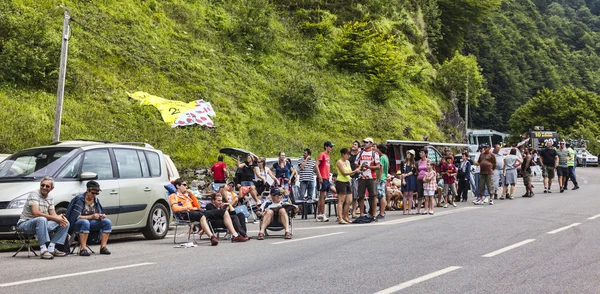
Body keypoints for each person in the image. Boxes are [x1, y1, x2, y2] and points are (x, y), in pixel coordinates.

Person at [169, 179, 246, 245]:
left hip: (197, 211)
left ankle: (235, 235)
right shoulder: (174, 196)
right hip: (186, 213)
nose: (186, 187)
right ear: (177, 186)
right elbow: (175, 208)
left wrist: (191, 195)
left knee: (223, 212)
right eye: (184, 185)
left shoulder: (186, 196)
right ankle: (212, 237)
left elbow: (198, 207)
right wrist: (188, 208)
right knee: (201, 215)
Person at [16, 176, 69, 259]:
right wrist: (55, 218)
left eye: (47, 186)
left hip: (42, 225)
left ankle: (51, 248)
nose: (44, 187)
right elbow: (35, 213)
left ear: (51, 188)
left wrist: (60, 218)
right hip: (25, 223)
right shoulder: (34, 194)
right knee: (42, 219)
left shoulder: (50, 198)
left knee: (65, 222)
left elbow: (53, 215)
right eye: (42, 185)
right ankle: (43, 250)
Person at [65, 180, 112, 256]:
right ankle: (83, 249)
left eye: (97, 193)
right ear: (87, 190)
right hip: (77, 223)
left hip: (91, 222)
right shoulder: (79, 199)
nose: (95, 195)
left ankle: (103, 247)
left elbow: (99, 212)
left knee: (107, 222)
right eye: (93, 193)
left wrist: (101, 216)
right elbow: (75, 217)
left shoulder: (96, 200)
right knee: (85, 222)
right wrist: (91, 216)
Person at [355, 137, 380, 220]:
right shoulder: (360, 153)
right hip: (362, 177)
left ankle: (374, 214)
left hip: (371, 177)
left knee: (373, 196)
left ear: (371, 144)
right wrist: (360, 167)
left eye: (366, 142)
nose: (365, 143)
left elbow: (378, 166)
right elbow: (356, 164)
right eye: (364, 142)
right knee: (361, 196)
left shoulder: (374, 154)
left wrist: (369, 166)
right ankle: (362, 214)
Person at [336, 148, 360, 224]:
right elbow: (344, 173)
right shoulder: (339, 162)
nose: (349, 156)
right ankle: (340, 217)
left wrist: (356, 171)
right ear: (343, 154)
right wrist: (354, 171)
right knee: (341, 200)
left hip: (347, 181)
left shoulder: (348, 162)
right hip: (341, 181)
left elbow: (350, 173)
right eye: (347, 154)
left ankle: (345, 216)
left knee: (349, 200)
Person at [316, 141, 334, 222]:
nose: (331, 148)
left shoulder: (328, 156)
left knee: (323, 196)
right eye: (330, 146)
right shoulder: (322, 154)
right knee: (322, 196)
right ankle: (322, 214)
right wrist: (319, 176)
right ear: (326, 147)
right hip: (322, 177)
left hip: (326, 177)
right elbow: (316, 165)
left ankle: (320, 214)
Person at [401, 150, 418, 215]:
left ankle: (409, 210)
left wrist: (406, 174)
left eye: (410, 154)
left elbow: (413, 171)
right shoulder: (403, 162)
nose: (408, 155)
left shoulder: (413, 163)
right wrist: (403, 180)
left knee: (410, 194)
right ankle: (404, 210)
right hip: (405, 178)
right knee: (405, 194)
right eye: (407, 153)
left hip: (411, 178)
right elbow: (402, 172)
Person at [375, 144, 389, 219]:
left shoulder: (382, 158)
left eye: (377, 149)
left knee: (381, 195)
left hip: (381, 178)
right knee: (382, 195)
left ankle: (382, 212)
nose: (376, 150)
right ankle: (382, 211)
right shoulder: (386, 157)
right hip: (384, 178)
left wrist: (378, 178)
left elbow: (381, 169)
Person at [348, 140, 361, 218]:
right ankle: (346, 212)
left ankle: (353, 212)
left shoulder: (359, 155)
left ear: (358, 147)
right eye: (353, 144)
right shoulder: (348, 154)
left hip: (356, 176)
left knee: (355, 196)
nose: (353, 145)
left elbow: (361, 164)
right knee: (347, 195)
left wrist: (358, 169)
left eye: (355, 144)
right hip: (348, 175)